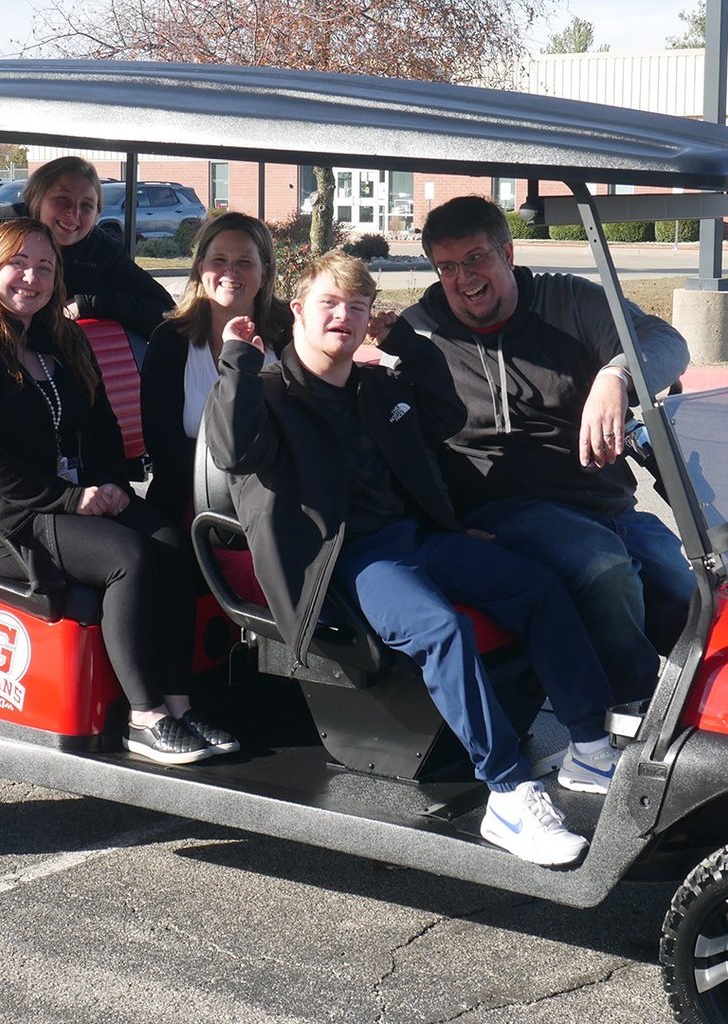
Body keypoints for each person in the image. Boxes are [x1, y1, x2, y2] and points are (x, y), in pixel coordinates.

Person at [205, 250, 619, 867]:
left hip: (414, 539)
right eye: (329, 304)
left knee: (537, 586)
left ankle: (589, 744)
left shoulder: (376, 386)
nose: (342, 317)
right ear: (298, 311)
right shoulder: (268, 395)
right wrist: (238, 359)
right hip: (343, 561)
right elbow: (232, 451)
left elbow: (448, 411)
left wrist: (405, 341)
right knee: (442, 630)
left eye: (357, 306)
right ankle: (508, 792)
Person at [0, 217, 237, 766]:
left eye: (45, 267)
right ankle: (144, 717)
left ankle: (179, 704)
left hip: (62, 498)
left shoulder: (60, 340)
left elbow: (101, 427)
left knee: (169, 538)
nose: (32, 277)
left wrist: (113, 483)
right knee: (127, 556)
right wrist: (72, 499)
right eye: (18, 263)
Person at [401, 195, 696, 703]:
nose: (463, 278)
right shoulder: (421, 330)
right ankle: (629, 710)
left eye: (476, 258)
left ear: (508, 254)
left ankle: (721, 713)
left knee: (693, 592)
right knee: (605, 569)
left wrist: (617, 373)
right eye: (447, 266)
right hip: (505, 509)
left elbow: (668, 341)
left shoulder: (568, 302)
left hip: (601, 503)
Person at [141, 212, 292, 528]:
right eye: (219, 260)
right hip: (192, 501)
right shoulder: (169, 341)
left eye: (245, 262)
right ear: (200, 268)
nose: (230, 271)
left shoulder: (289, 335)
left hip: (279, 497)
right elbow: (162, 447)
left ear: (265, 273)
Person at [0, 156, 173, 339]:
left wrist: (91, 303)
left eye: (87, 205)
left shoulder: (100, 249)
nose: (74, 213)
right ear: (36, 200)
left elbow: (164, 312)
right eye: (62, 199)